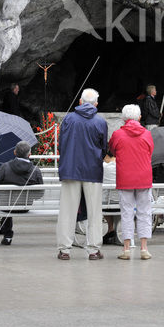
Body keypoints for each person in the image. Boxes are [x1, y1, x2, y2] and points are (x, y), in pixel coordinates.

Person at [57, 88, 107, 260]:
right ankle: (93, 250)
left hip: (70, 168)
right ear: (96, 104)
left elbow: (61, 144)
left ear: (80, 102)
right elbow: (104, 148)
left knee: (67, 210)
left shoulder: (69, 119)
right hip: (92, 170)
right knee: (94, 212)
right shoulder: (100, 122)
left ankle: (64, 249)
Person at [108, 104, 154, 260]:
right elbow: (150, 151)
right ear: (140, 118)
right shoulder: (147, 134)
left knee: (126, 212)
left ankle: (126, 248)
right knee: (144, 212)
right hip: (144, 177)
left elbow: (112, 150)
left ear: (123, 118)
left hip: (125, 178)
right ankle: (144, 248)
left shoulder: (117, 134)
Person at [0, 141, 43, 245]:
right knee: (9, 202)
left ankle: (7, 235)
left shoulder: (5, 167)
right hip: (25, 206)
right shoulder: (36, 170)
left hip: (6, 207)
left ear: (14, 152)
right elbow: (40, 194)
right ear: (29, 154)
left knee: (7, 203)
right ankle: (5, 232)